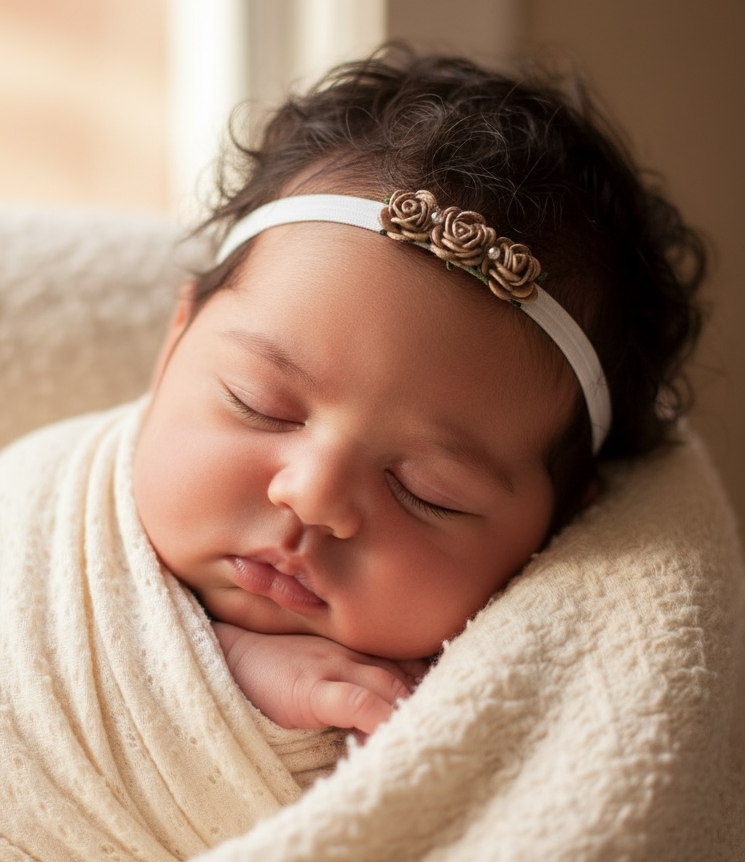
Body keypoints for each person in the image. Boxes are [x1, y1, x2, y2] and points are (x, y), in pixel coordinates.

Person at [133, 44, 707, 740]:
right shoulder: (59, 526)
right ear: (177, 340)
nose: (314, 496)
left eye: (428, 490)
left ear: (556, 531)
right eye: (259, 403)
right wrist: (227, 670)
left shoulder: (504, 706)